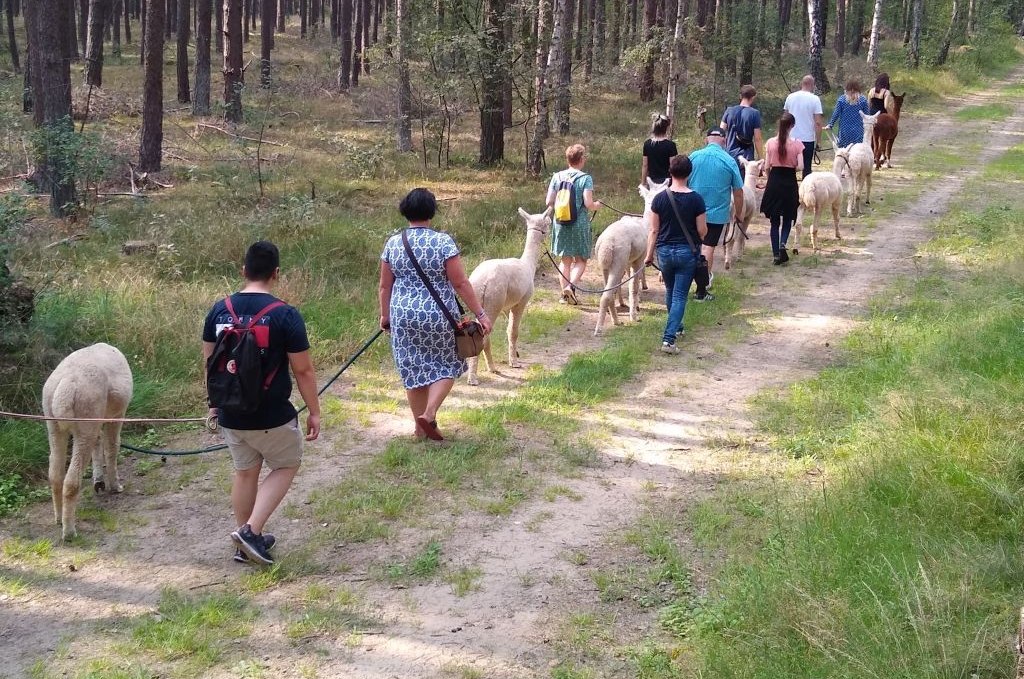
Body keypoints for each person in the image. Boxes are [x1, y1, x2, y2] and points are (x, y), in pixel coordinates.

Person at [202, 240, 321, 567]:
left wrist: (214, 406)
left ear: (243, 271)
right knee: (285, 465)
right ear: (276, 274)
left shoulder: (218, 309)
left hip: (231, 413)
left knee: (245, 473)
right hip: (271, 416)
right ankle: (250, 533)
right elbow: (303, 370)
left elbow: (210, 364)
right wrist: (314, 411)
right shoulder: (285, 315)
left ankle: (244, 542)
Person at [379, 188, 493, 442]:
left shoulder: (393, 243)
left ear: (405, 211)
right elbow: (460, 283)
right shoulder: (443, 242)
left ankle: (420, 430)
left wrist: (385, 315)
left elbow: (385, 285)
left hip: (403, 315)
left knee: (413, 370)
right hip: (438, 315)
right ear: (431, 212)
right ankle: (428, 415)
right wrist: (480, 313)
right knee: (448, 363)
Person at [644, 154, 708, 354]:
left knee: (671, 292)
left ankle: (677, 327)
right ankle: (668, 339)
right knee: (680, 295)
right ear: (690, 173)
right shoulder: (696, 199)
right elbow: (702, 231)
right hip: (686, 252)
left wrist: (648, 255)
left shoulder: (660, 198)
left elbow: (653, 230)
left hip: (664, 251)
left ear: (670, 172)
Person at [688, 127, 743, 301]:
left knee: (691, 246)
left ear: (706, 140)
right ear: (725, 141)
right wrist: (738, 214)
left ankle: (682, 283)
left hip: (692, 211)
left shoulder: (693, 157)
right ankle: (702, 289)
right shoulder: (729, 160)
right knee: (708, 247)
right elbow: (738, 191)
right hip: (717, 214)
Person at [545, 144, 602, 304]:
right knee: (581, 260)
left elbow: (549, 201)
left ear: (568, 159)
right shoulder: (585, 178)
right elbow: (589, 204)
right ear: (581, 159)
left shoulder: (557, 177)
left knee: (565, 261)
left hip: (561, 222)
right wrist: (598, 205)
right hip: (579, 223)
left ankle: (564, 297)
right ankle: (571, 287)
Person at [760, 112, 804, 265]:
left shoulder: (770, 143)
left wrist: (769, 177)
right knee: (787, 217)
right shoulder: (797, 144)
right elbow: (801, 166)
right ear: (792, 126)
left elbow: (766, 166)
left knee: (774, 221)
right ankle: (783, 245)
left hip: (774, 181)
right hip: (789, 181)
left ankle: (775, 254)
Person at [783, 75, 824, 179]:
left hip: (791, 138)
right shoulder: (815, 99)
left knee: (789, 166)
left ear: (802, 84)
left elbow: (785, 118)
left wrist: (782, 135)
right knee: (806, 168)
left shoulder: (790, 97)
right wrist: (818, 141)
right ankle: (806, 191)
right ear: (813, 85)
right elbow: (818, 123)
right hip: (807, 139)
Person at [720, 84, 765, 175]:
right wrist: (761, 158)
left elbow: (721, 131)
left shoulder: (729, 111)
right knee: (745, 185)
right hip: (746, 156)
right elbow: (757, 138)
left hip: (729, 154)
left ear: (740, 96)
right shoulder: (754, 113)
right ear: (753, 97)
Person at [827, 79, 870, 148]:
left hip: (845, 131)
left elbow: (836, 113)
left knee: (844, 152)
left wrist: (830, 124)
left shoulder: (842, 99)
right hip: (858, 131)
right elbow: (867, 116)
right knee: (857, 151)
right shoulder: (863, 100)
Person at [641, 113, 679, 185]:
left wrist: (643, 183)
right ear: (666, 128)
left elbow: (645, 165)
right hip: (667, 182)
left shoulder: (647, 144)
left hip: (651, 181)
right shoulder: (671, 145)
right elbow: (673, 166)